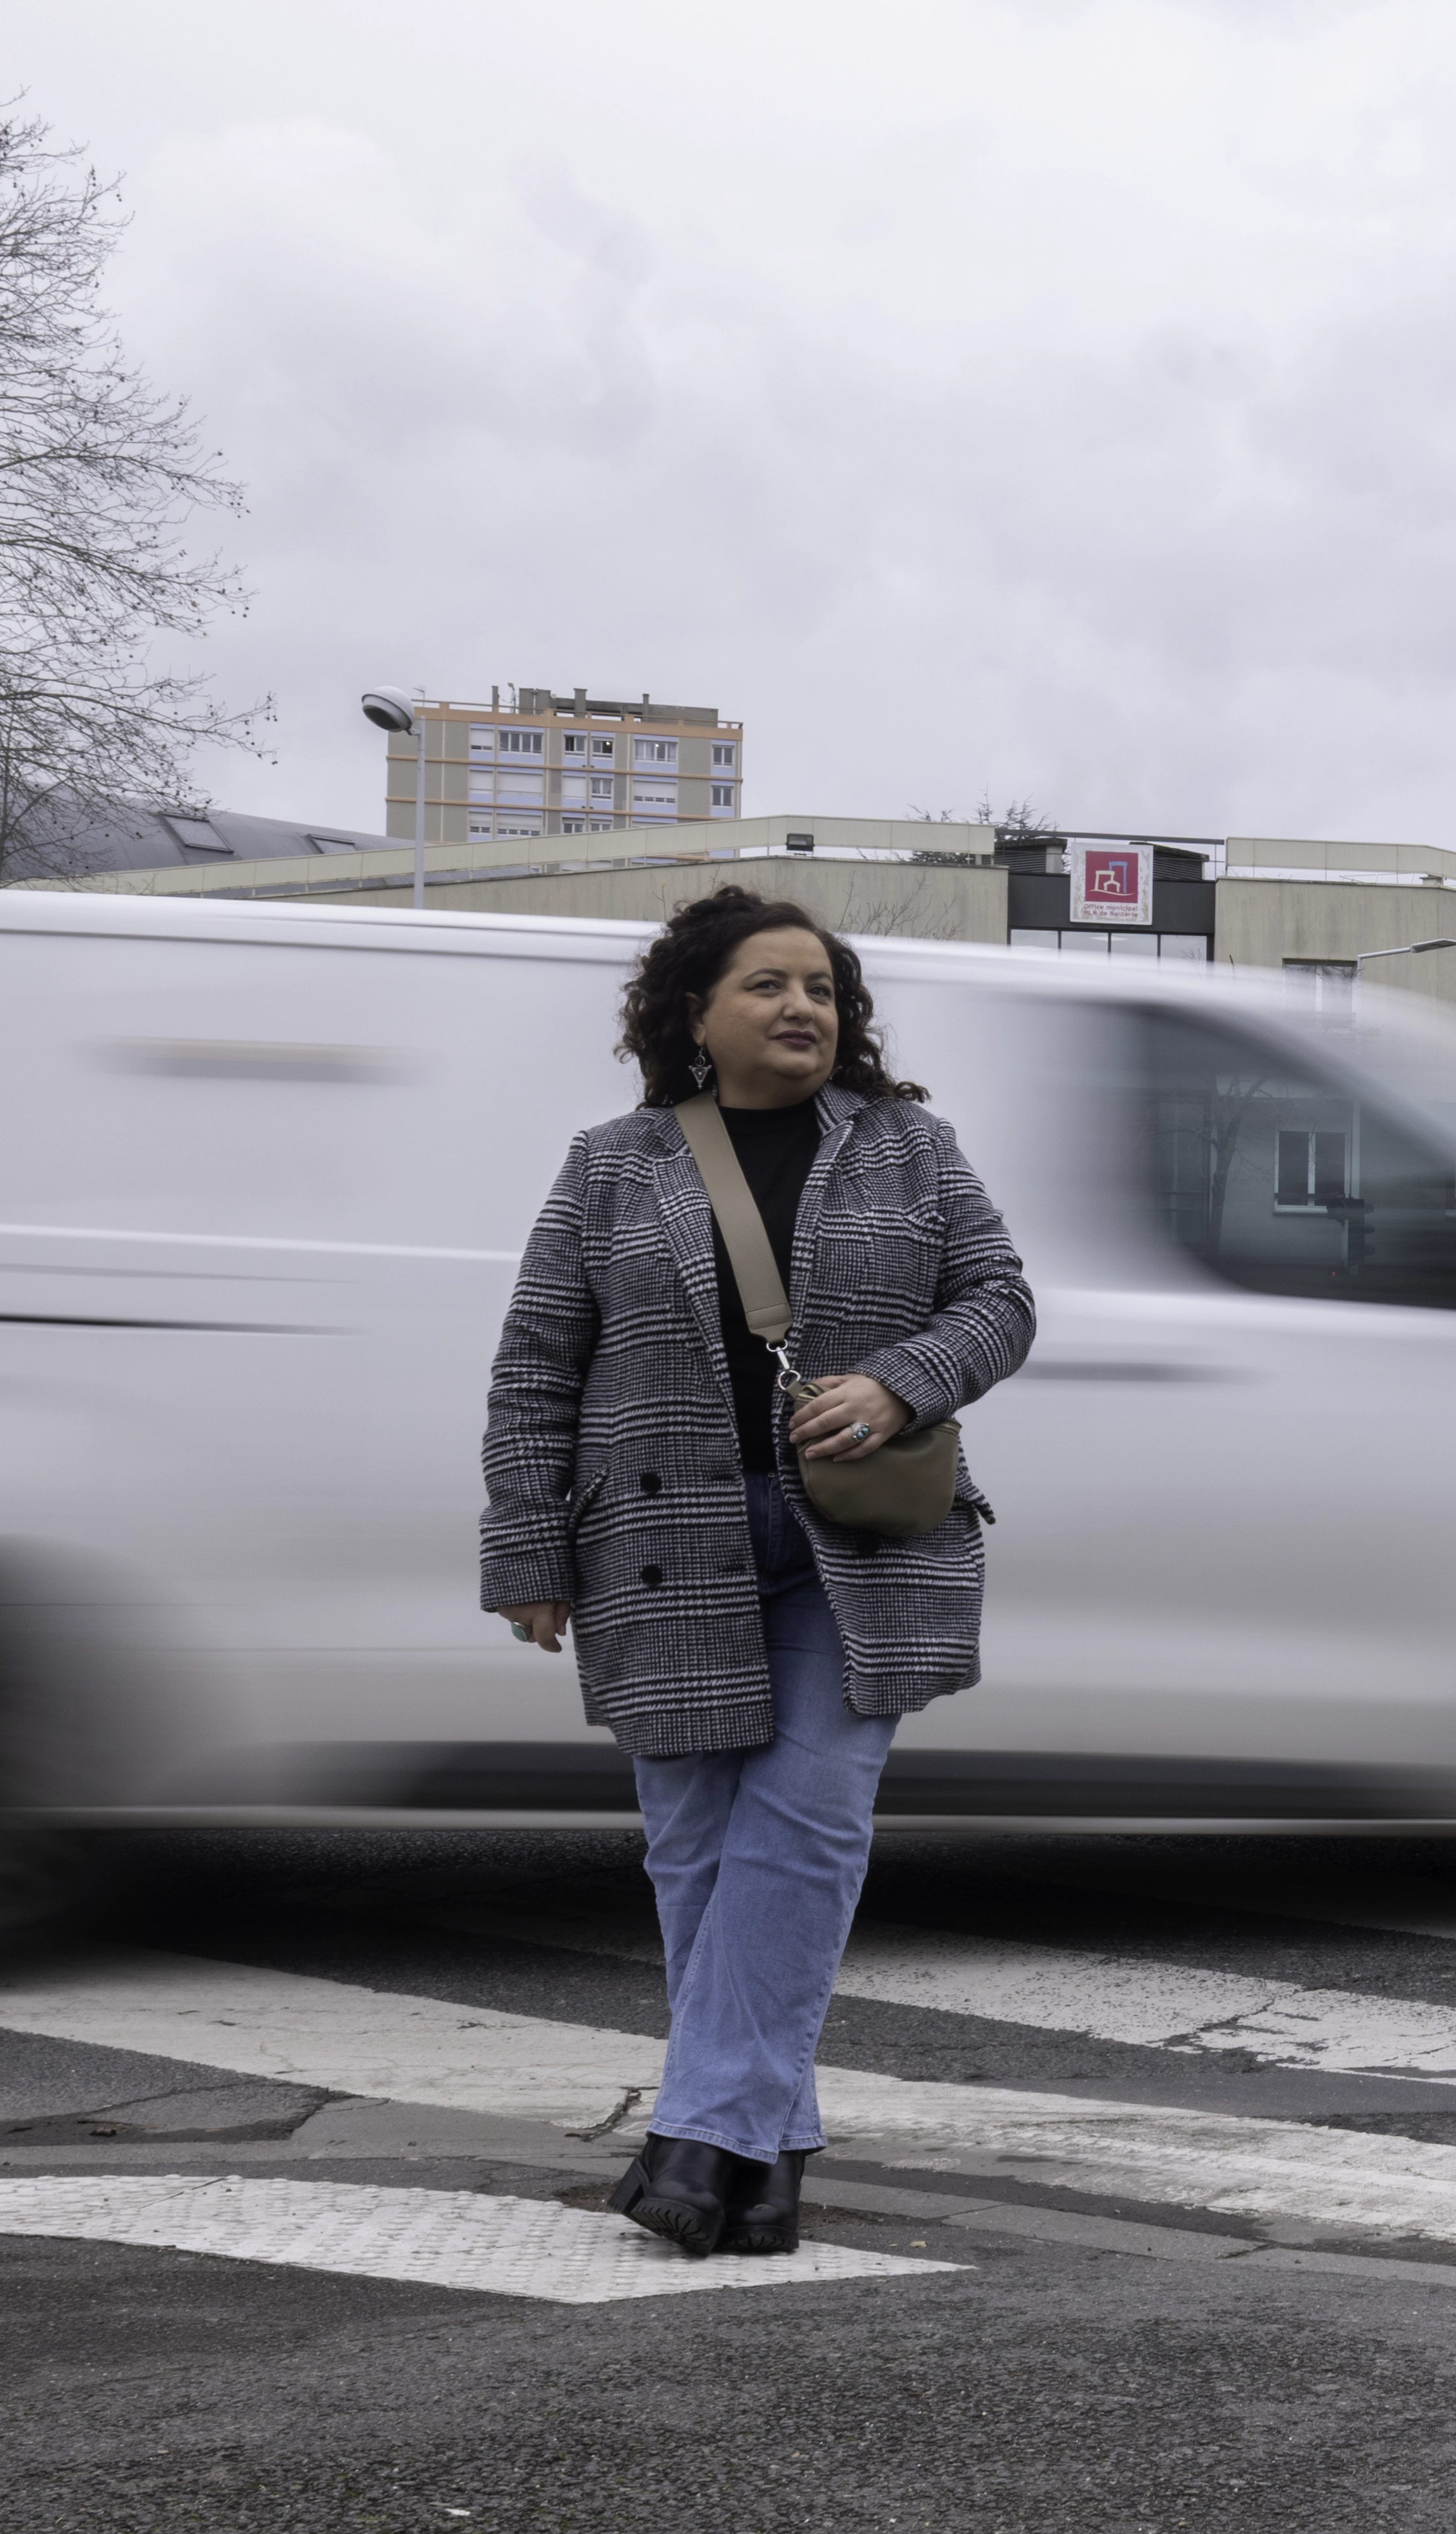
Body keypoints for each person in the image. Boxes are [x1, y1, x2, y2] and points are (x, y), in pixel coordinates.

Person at [480, 887, 1034, 2257]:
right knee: (698, 1852)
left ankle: (696, 2131)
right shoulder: (613, 1163)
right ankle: (761, 2146)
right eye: (770, 984)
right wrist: (526, 1548)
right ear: (693, 1012)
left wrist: (903, 1383)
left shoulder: (912, 1145)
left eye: (824, 990)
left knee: (806, 1824)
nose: (804, 1008)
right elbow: (538, 1365)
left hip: (861, 1543)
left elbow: (1000, 1299)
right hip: (660, 1546)